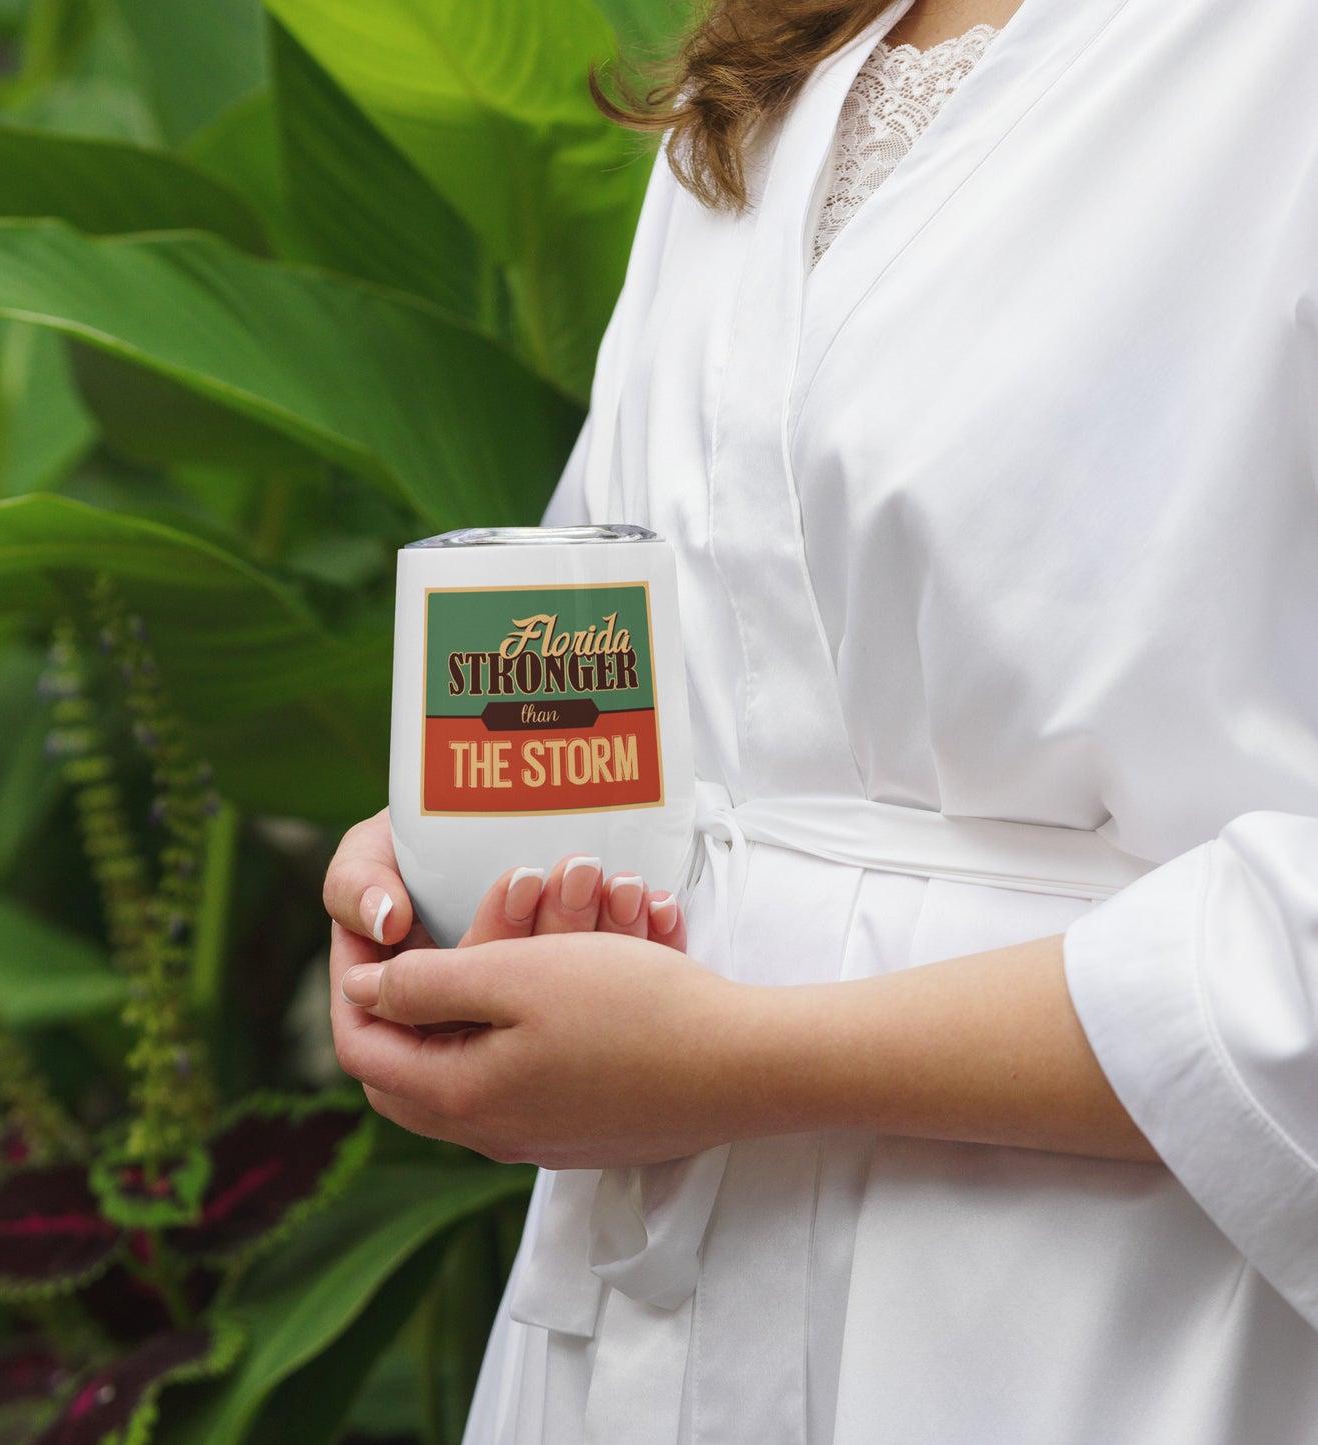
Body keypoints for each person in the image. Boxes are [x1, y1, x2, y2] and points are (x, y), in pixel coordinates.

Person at [324, 0, 1318, 1439]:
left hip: (1107, 1316)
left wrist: (738, 1058)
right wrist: (460, 854)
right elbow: (660, 640)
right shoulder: (775, 57)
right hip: (652, 1312)